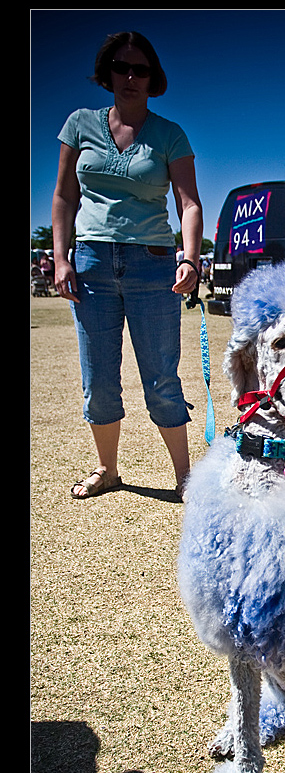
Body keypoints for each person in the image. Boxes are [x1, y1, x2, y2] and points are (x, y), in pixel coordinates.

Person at [52, 30, 203, 501]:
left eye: (140, 69)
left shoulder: (169, 134)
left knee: (161, 375)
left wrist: (192, 258)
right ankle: (107, 469)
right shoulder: (79, 125)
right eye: (122, 67)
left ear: (153, 76)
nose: (131, 76)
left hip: (152, 264)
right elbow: (63, 197)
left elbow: (189, 204)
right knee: (98, 378)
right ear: (107, 73)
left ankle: (184, 475)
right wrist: (61, 259)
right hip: (92, 263)